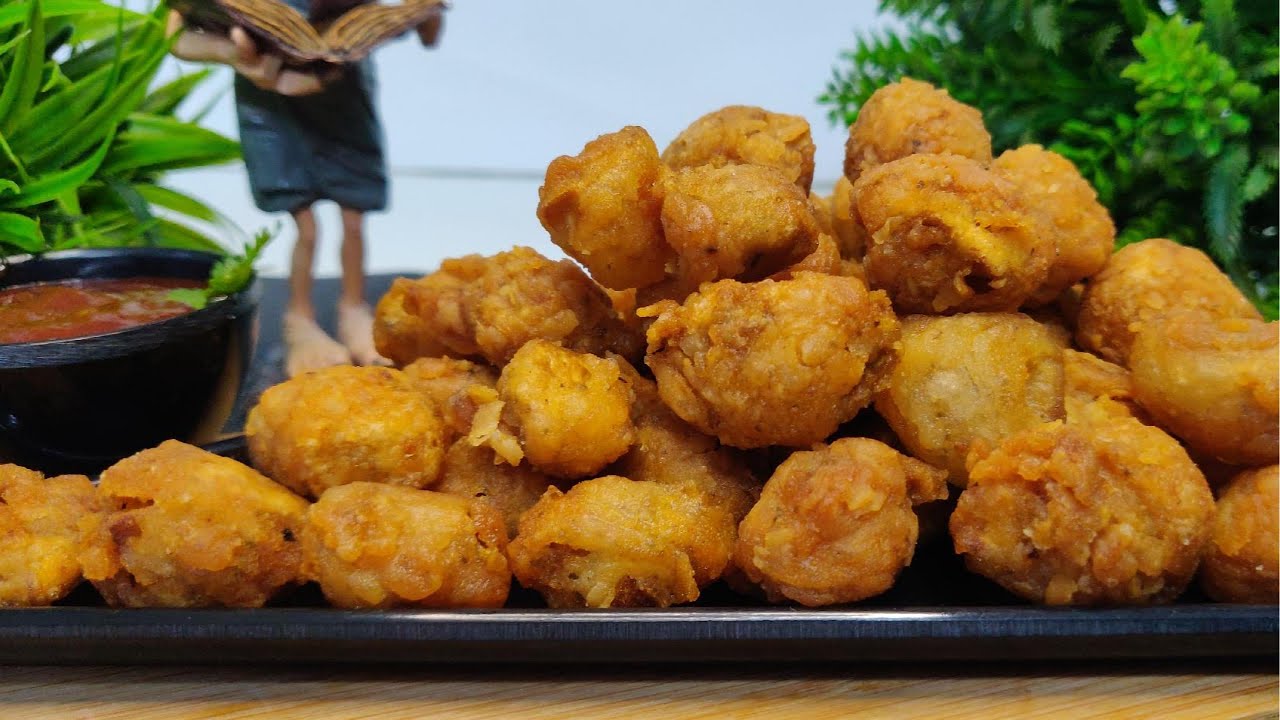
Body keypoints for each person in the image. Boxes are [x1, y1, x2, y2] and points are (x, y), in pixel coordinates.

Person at [166, 5, 444, 377]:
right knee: (307, 229)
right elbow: (175, 34)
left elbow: (425, 34)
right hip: (272, 108)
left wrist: (427, 14)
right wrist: (229, 51)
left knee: (354, 220)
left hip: (344, 102)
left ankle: (353, 308)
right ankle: (299, 318)